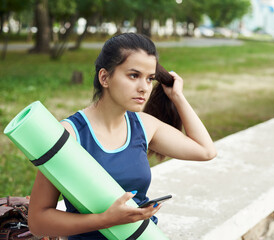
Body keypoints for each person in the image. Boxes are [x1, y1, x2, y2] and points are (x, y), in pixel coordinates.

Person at [28, 33, 217, 239]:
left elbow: (206, 151)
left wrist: (177, 96)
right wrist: (107, 219)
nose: (144, 87)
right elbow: (38, 222)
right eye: (133, 75)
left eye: (150, 78)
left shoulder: (144, 125)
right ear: (105, 77)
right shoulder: (69, 135)